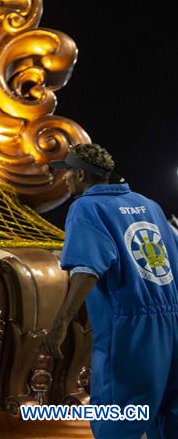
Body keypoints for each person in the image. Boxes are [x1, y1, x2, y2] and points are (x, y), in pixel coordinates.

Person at [42, 143, 178, 438]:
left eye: (67, 172)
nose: (63, 178)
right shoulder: (150, 205)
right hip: (173, 321)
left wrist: (60, 325)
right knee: (169, 413)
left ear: (80, 174)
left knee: (118, 415)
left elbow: (87, 272)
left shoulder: (87, 208)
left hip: (129, 326)